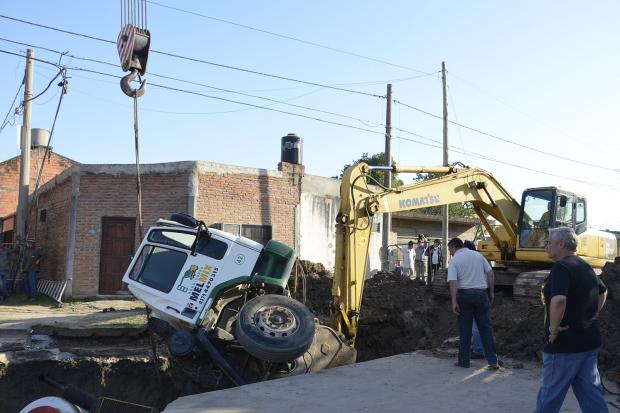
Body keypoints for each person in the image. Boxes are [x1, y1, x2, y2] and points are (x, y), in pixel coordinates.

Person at [532, 227, 608, 413]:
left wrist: (554, 329)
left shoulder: (561, 268)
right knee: (590, 394)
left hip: (565, 346)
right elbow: (603, 291)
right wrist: (589, 316)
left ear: (561, 244)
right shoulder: (584, 266)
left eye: (549, 242)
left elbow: (559, 300)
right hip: (588, 341)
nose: (546, 246)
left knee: (549, 396)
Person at [447, 237, 499, 369]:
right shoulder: (478, 255)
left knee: (465, 330)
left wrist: (454, 301)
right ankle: (493, 361)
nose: (450, 253)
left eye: (450, 250)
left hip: (465, 296)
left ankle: (464, 361)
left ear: (454, 247)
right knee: (486, 329)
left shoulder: (454, 261)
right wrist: (491, 292)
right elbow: (490, 274)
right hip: (481, 295)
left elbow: (453, 282)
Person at [463, 240, 485, 358]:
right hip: (481, 293)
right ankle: (479, 347)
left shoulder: (465, 260)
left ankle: (477, 349)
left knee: (473, 325)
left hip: (470, 294)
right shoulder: (480, 258)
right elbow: (490, 274)